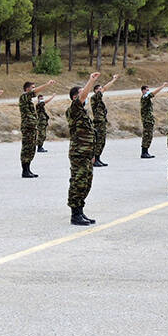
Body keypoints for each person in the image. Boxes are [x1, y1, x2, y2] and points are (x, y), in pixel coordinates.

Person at [67, 72, 100, 226]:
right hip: (78, 154)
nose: (85, 96)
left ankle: (80, 211)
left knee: (87, 183)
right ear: (75, 97)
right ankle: (75, 214)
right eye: (82, 94)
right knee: (78, 182)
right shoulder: (73, 110)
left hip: (86, 154)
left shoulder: (84, 114)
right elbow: (82, 96)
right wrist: (91, 81)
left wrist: (93, 154)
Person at [19, 80, 55, 177]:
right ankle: (25, 171)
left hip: (32, 127)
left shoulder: (29, 100)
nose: (34, 89)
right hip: (27, 127)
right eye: (32, 87)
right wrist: (46, 84)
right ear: (27, 89)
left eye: (35, 87)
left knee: (31, 148)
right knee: (26, 148)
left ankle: (28, 169)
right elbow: (34, 92)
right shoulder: (23, 97)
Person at [91, 74, 119, 167]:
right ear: (95, 91)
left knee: (102, 142)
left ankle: (98, 158)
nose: (100, 90)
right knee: (98, 141)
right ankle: (94, 160)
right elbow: (105, 89)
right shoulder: (94, 98)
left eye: (100, 88)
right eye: (98, 89)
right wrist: (113, 80)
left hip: (102, 123)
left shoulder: (100, 100)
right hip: (98, 123)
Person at [140, 82, 167, 158]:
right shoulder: (145, 97)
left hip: (149, 120)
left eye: (148, 90)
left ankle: (146, 152)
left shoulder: (146, 97)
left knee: (149, 135)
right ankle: (144, 152)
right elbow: (153, 93)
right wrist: (162, 86)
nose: (148, 91)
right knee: (147, 135)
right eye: (147, 90)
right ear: (143, 91)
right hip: (147, 120)